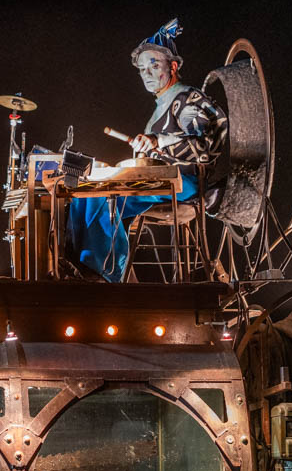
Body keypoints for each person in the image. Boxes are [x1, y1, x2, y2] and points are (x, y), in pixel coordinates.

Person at [66, 18, 227, 282]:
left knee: (104, 195)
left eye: (154, 65)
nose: (147, 74)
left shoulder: (186, 99)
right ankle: (81, 265)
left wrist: (157, 141)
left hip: (184, 183)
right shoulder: (161, 106)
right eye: (142, 69)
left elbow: (204, 148)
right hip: (161, 182)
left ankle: (105, 272)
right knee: (84, 193)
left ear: (173, 66)